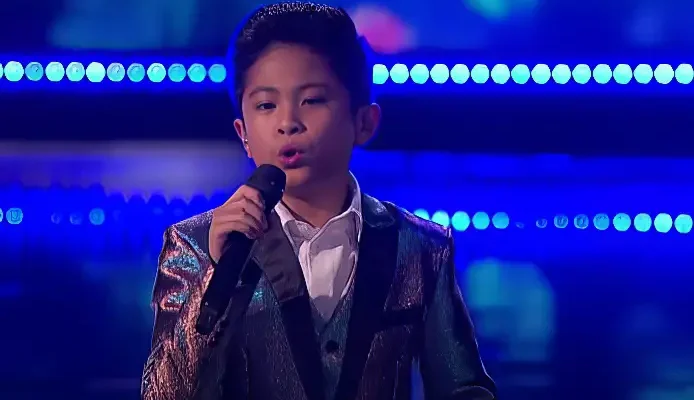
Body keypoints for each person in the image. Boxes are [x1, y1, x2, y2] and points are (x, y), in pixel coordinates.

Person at [141, 2, 495, 399]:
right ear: (243, 133)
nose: (287, 123)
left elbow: (463, 388)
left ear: (364, 122)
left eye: (311, 100)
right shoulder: (194, 245)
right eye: (266, 105)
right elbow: (164, 394)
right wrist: (215, 273)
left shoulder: (421, 248)